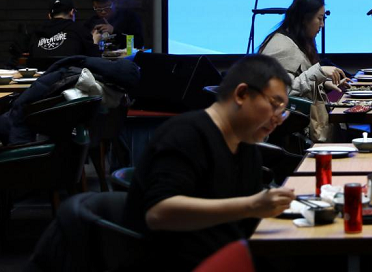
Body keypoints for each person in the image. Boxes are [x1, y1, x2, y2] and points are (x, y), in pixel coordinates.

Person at [123, 54, 295, 271]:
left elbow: (247, 222)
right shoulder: (186, 134)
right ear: (241, 94)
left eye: (282, 111)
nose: (278, 118)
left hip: (229, 256)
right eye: (274, 104)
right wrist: (251, 206)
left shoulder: (247, 147)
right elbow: (158, 213)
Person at [259, 0, 346, 142]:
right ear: (305, 19)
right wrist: (319, 72)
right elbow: (284, 92)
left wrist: (324, 83)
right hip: (294, 135)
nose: (322, 25)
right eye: (319, 18)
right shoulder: (281, 47)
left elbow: (298, 78)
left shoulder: (294, 40)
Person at [30, 0, 101, 60]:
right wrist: (95, 42)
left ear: (49, 16)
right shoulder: (79, 29)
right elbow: (93, 61)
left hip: (42, 72)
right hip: (69, 71)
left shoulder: (36, 33)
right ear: (72, 12)